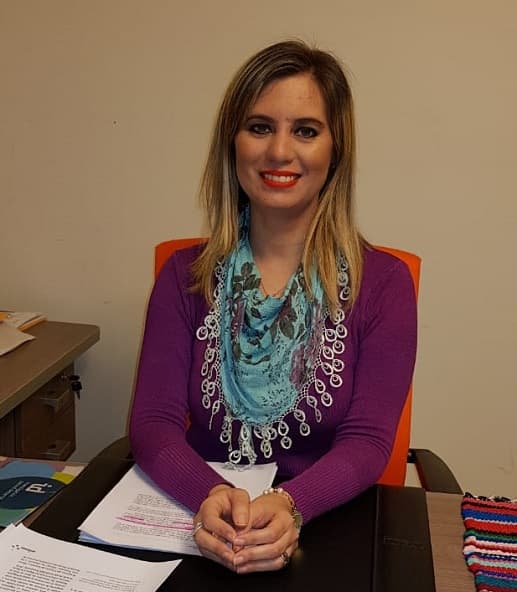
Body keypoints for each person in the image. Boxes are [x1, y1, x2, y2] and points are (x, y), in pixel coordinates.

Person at [129, 39, 417, 574]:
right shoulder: (184, 276)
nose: (279, 151)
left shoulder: (384, 284)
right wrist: (210, 495)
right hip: (204, 525)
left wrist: (291, 503)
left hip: (328, 533)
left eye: (305, 130)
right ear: (232, 142)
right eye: (260, 127)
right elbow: (153, 422)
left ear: (336, 149)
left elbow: (368, 440)